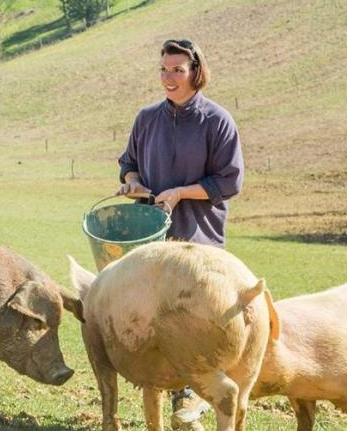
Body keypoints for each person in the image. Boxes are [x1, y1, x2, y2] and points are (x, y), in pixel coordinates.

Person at [116, 39, 244, 430]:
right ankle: (165, 387)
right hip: (151, 239)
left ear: (195, 71)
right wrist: (132, 183)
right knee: (155, 316)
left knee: (192, 318)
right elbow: (128, 163)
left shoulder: (217, 121)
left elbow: (230, 181)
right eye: (164, 69)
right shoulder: (147, 118)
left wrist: (180, 192)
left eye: (177, 70)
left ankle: (195, 393)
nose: (169, 78)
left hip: (198, 238)